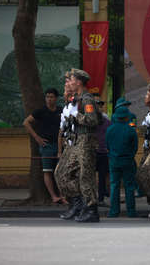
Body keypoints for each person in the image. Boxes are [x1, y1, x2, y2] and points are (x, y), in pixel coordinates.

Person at [55, 68, 101, 223]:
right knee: (62, 173)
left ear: (79, 82)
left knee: (85, 177)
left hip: (85, 141)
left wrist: (76, 115)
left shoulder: (87, 99)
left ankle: (91, 209)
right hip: (74, 142)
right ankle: (77, 204)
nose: (69, 82)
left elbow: (93, 120)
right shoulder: (76, 99)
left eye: (71, 79)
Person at [23, 88, 64, 204]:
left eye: (52, 97)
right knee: (47, 171)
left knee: (61, 171)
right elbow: (26, 122)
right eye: (47, 97)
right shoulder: (40, 111)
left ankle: (63, 195)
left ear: (56, 98)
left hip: (61, 145)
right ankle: (53, 196)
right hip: (46, 146)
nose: (49, 99)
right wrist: (37, 137)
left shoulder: (61, 111)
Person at [105, 106, 139, 217]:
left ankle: (114, 212)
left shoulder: (109, 129)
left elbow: (107, 145)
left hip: (114, 161)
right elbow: (135, 147)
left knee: (114, 186)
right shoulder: (130, 130)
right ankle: (131, 212)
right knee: (129, 186)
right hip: (127, 161)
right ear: (126, 117)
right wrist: (130, 155)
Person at [89, 89, 110, 205]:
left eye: (100, 105)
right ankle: (92, 198)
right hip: (92, 150)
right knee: (90, 176)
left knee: (102, 175)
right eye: (96, 104)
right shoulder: (89, 120)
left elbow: (110, 134)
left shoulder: (107, 121)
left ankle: (101, 198)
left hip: (103, 151)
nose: (99, 107)